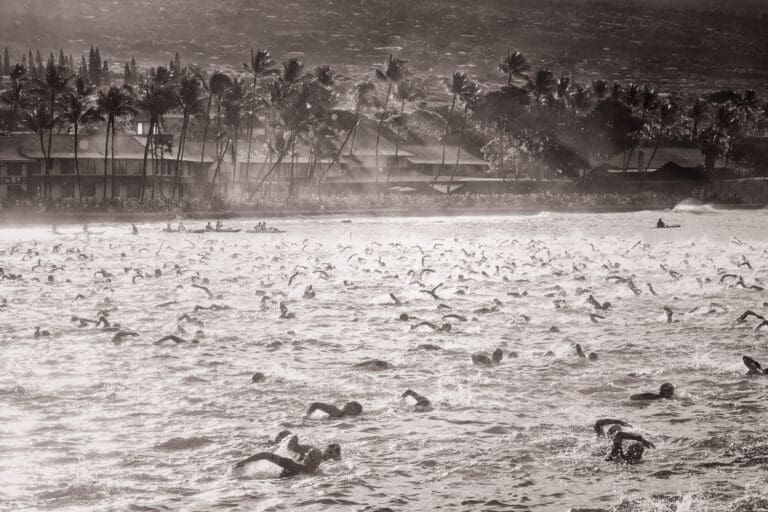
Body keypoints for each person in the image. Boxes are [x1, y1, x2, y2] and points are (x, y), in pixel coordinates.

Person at [234, 449, 323, 478]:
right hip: (275, 486)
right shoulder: (292, 465)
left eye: (317, 463)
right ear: (308, 461)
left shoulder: (316, 473)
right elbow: (266, 455)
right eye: (315, 462)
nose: (316, 465)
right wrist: (245, 461)